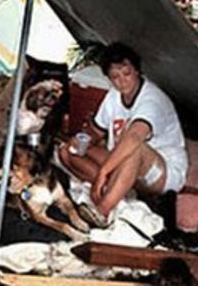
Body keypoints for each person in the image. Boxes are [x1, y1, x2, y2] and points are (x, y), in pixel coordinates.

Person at [58, 42, 187, 219]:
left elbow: (134, 138)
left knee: (135, 149)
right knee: (67, 151)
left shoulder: (152, 99)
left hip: (163, 172)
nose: (122, 81)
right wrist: (80, 141)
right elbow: (96, 131)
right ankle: (112, 190)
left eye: (126, 73)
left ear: (137, 71)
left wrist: (103, 171)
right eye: (115, 77)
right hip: (122, 163)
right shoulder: (114, 96)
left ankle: (102, 211)